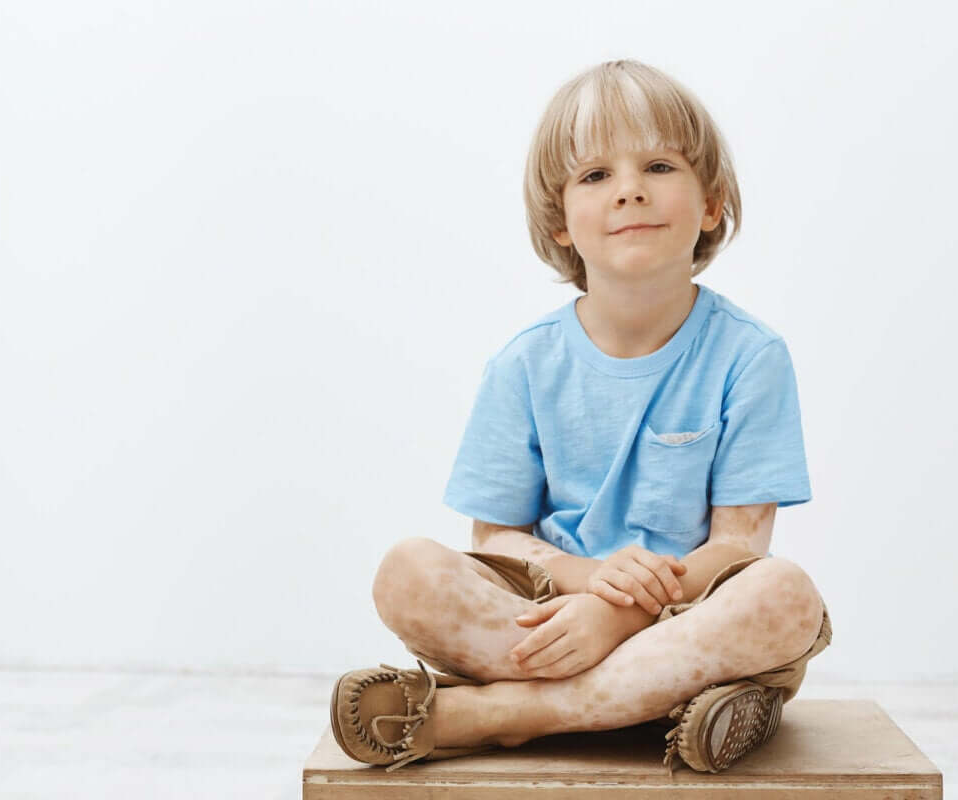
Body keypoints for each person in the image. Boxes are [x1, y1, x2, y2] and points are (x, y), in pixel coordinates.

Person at [329, 58, 832, 775]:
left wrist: (622, 614)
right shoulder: (525, 366)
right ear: (560, 222)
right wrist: (587, 587)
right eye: (596, 176)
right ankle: (651, 706)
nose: (629, 189)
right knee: (404, 572)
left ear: (712, 204)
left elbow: (738, 550)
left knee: (786, 598)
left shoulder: (750, 356)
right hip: (559, 609)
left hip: (691, 615)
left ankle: (505, 714)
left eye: (658, 165)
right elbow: (497, 536)